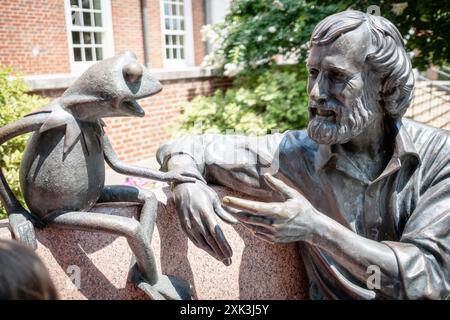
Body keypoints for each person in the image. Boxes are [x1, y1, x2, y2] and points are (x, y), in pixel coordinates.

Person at [156, 10, 450, 299]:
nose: (316, 92)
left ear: (385, 86)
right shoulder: (294, 155)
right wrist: (185, 180)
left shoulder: (439, 157)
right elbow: (187, 147)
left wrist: (316, 229)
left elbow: (428, 278)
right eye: (313, 73)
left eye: (337, 76)